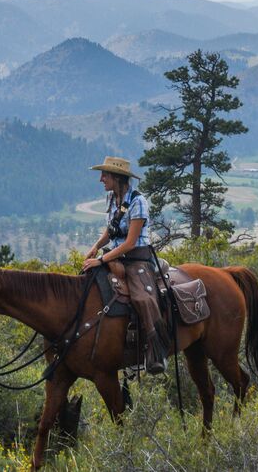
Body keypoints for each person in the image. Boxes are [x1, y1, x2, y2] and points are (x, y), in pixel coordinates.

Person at [81, 156, 168, 374]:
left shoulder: (138, 201)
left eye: (105, 175)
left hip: (137, 257)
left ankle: (155, 351)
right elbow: (111, 231)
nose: (101, 179)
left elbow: (130, 243)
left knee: (141, 297)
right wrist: (95, 247)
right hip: (117, 256)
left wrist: (101, 259)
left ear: (118, 178)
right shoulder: (113, 199)